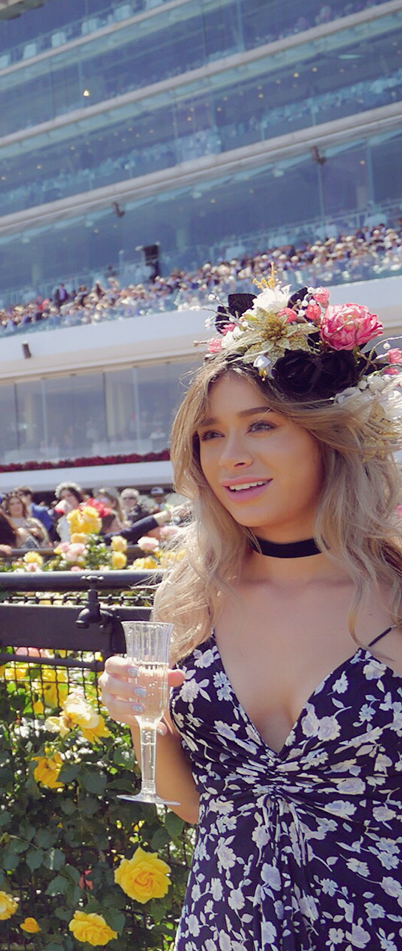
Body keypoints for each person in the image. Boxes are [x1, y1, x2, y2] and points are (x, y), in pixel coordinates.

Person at [98, 281, 402, 945]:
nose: (229, 456)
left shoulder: (395, 593)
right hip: (224, 923)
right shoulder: (190, 601)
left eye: (260, 423)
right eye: (210, 433)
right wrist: (140, 718)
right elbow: (200, 808)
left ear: (331, 434)